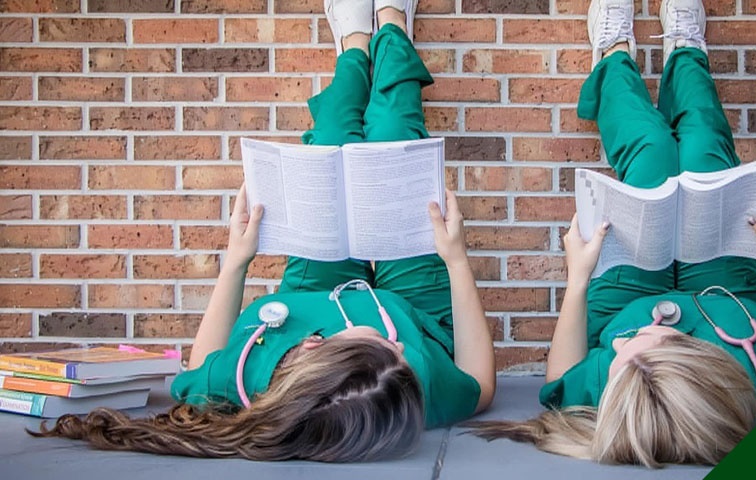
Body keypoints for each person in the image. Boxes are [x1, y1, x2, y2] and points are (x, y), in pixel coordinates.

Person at [30, 0, 496, 462]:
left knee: (331, 141)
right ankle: (392, 26)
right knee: (394, 133)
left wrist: (237, 258)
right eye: (400, 353)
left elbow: (199, 368)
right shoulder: (405, 385)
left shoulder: (239, 380)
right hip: (414, 309)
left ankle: (354, 48)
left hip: (309, 296)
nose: (399, 349)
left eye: (382, 342)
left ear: (313, 344)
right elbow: (480, 384)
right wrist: (456, 258)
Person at [465, 0, 756, 467]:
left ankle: (613, 53)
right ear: (696, 356)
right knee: (704, 154)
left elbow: (561, 378)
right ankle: (685, 51)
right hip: (729, 298)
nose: (614, 346)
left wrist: (578, 278)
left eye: (616, 353)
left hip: (625, 298)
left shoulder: (625, 382)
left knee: (653, 155)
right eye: (640, 342)